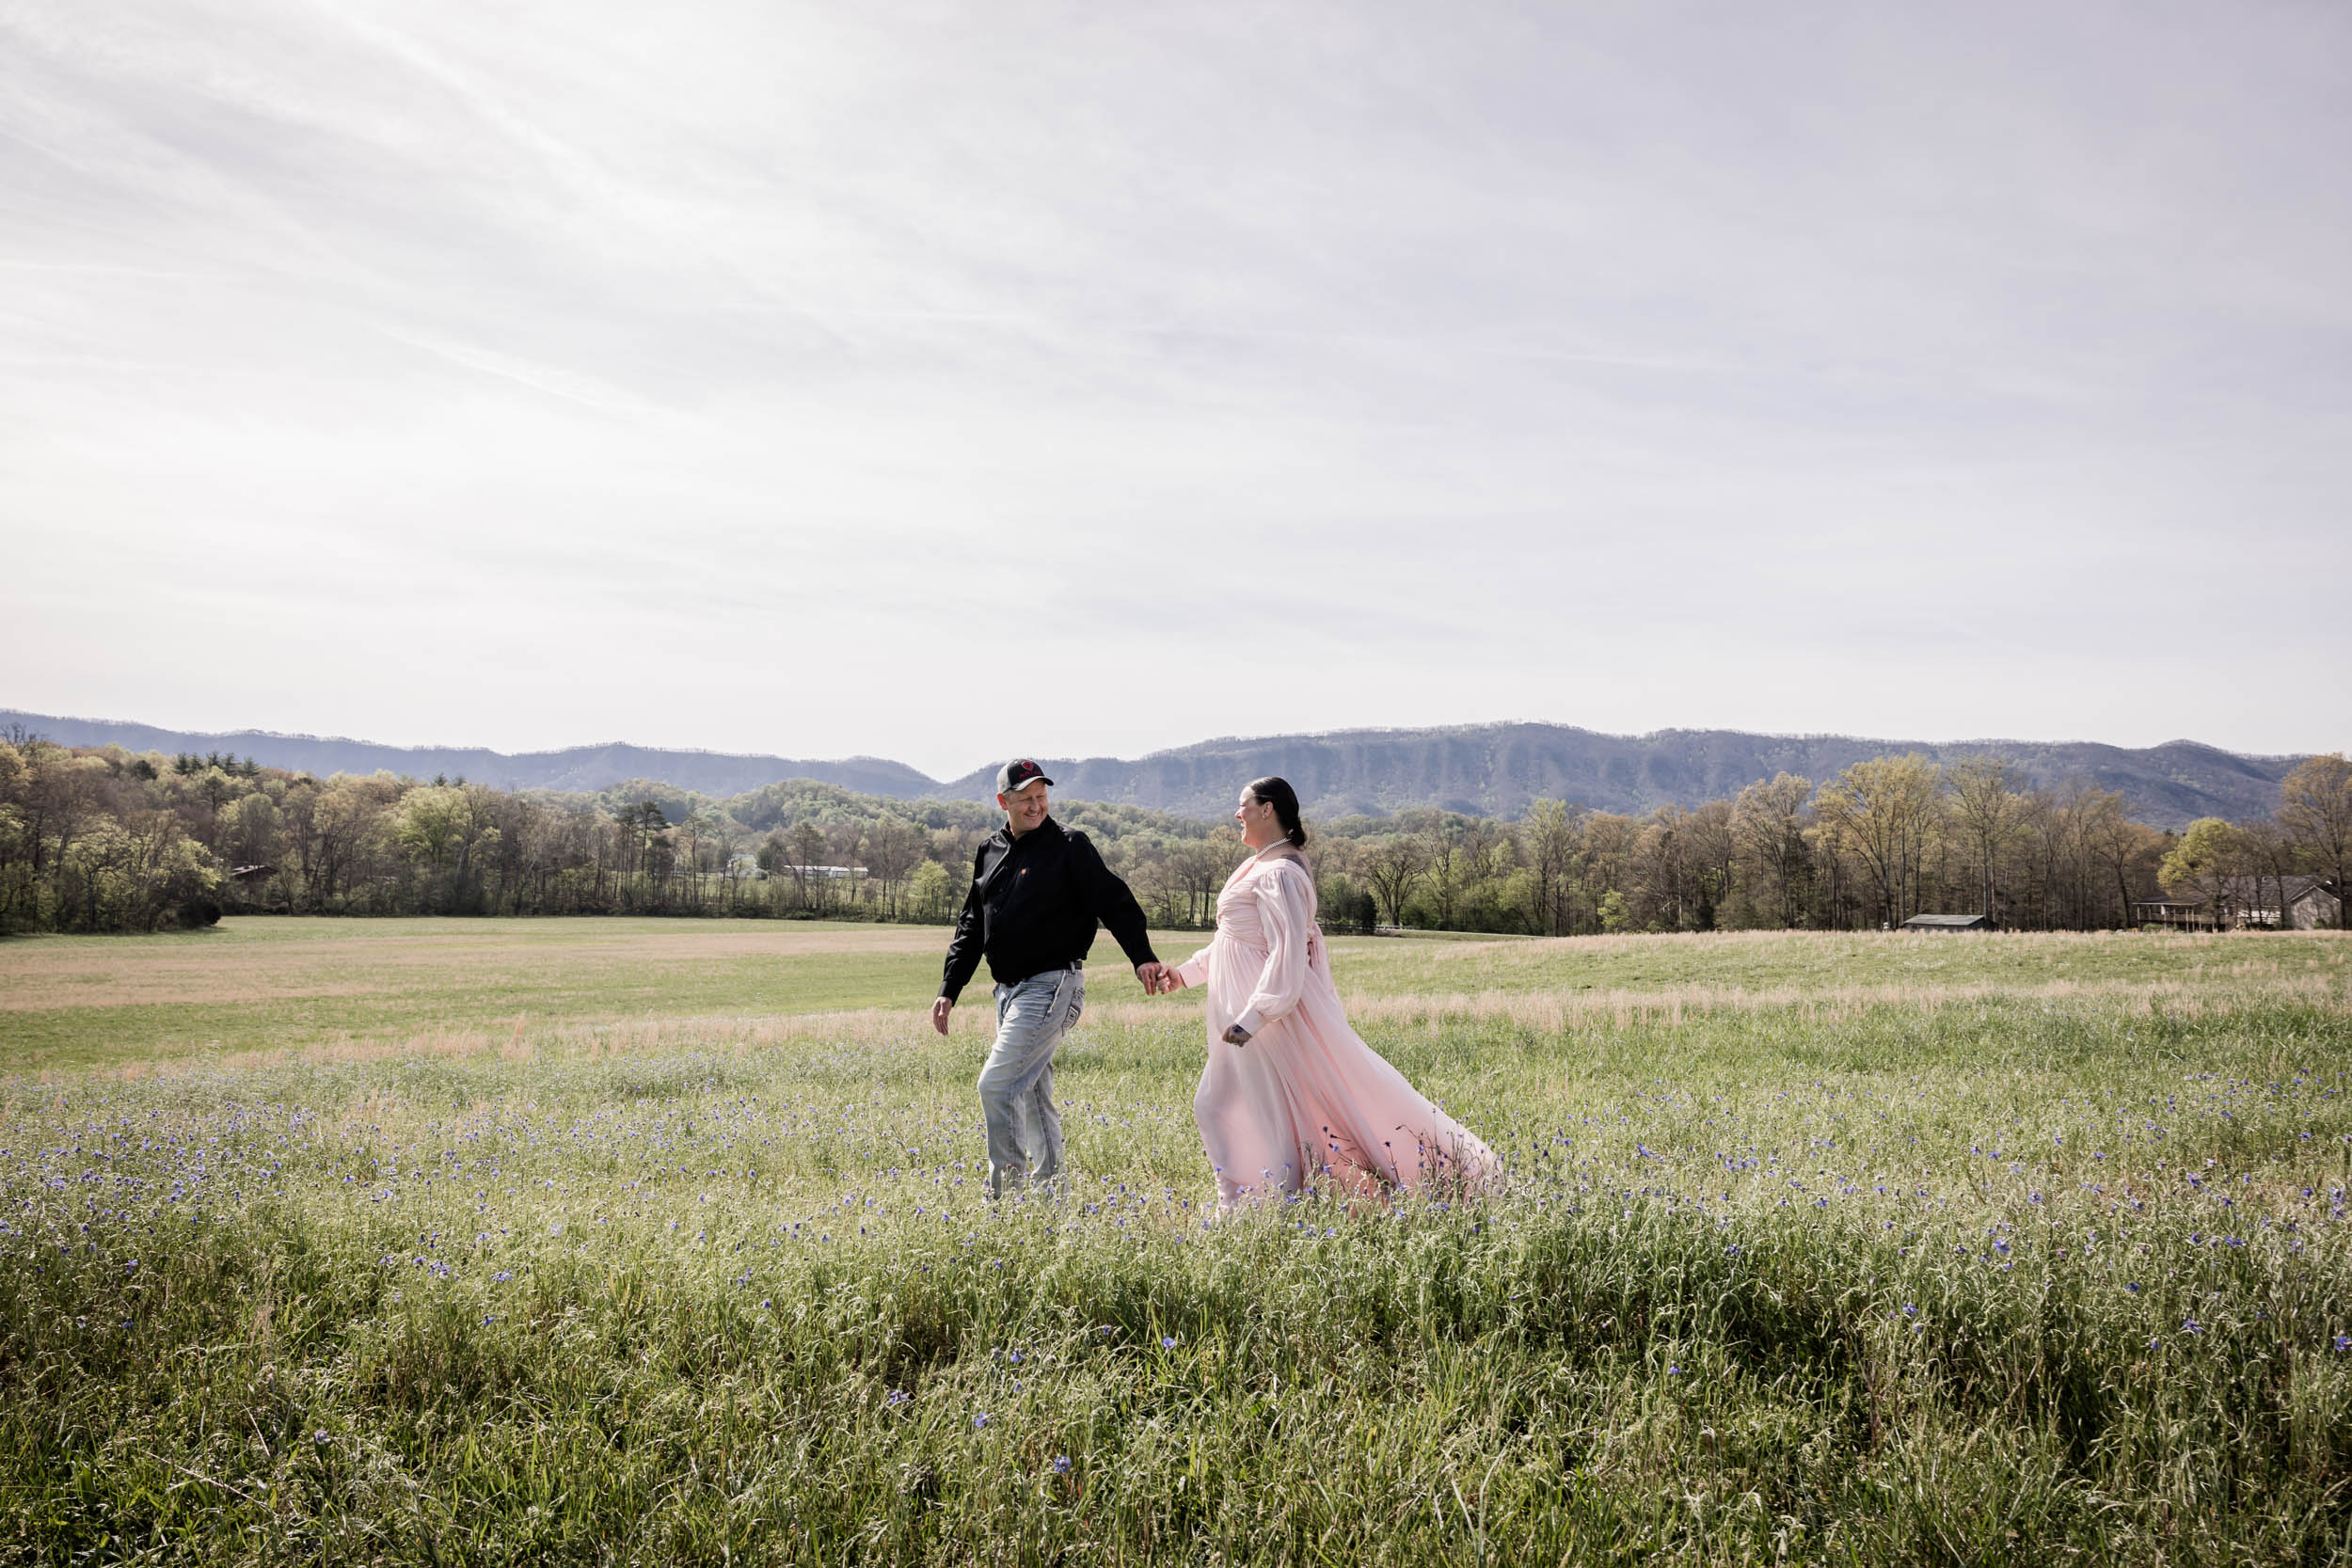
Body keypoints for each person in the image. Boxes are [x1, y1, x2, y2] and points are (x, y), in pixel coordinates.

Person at [1161, 776, 1498, 1211]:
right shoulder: (1258, 863)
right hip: (1244, 1017)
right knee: (1241, 1106)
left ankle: (1259, 1205)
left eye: (1243, 805)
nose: (1236, 813)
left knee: (1230, 1106)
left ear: (1268, 809)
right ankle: (1260, 1202)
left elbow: (1286, 953)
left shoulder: (1280, 872)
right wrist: (1184, 974)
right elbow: (1234, 940)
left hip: (1264, 1023)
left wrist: (1254, 1018)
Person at [934, 758, 1166, 1196]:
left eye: (1042, 797)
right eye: (1026, 799)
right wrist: (951, 988)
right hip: (1008, 990)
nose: (1036, 806)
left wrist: (1142, 957)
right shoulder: (990, 851)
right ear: (1004, 802)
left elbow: (1114, 900)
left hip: (1052, 984)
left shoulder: (1069, 845)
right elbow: (972, 924)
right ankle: (1050, 1201)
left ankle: (1007, 1203)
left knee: (997, 1085)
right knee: (1034, 1097)